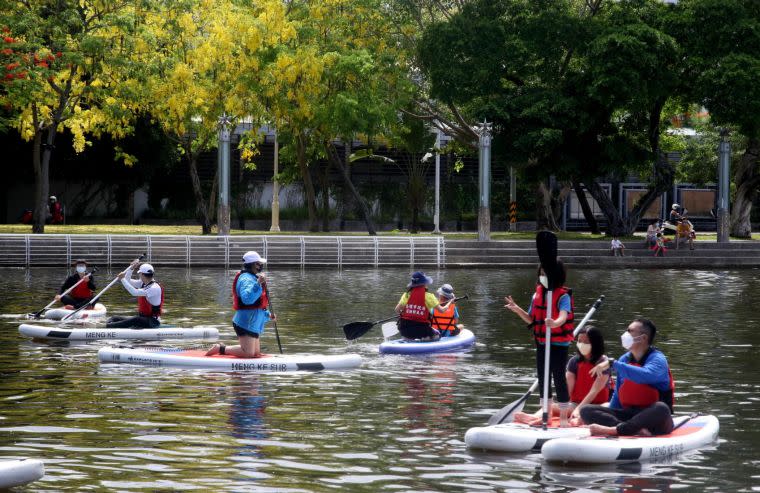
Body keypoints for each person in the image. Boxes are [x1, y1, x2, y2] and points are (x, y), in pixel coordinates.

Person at [505, 260, 574, 426]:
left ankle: (563, 418)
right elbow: (531, 320)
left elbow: (563, 316)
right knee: (543, 378)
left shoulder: (563, 296)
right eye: (541, 274)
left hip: (559, 345)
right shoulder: (536, 295)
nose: (543, 277)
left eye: (547, 274)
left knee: (558, 378)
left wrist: (555, 323)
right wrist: (517, 309)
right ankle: (547, 415)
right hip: (542, 343)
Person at [580, 318, 675, 437]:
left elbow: (645, 375)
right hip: (629, 415)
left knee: (661, 408)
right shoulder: (624, 359)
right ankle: (630, 429)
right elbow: (619, 393)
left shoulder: (658, 359)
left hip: (654, 419)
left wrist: (612, 363)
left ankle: (616, 430)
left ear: (643, 338)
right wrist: (610, 412)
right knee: (586, 410)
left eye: (630, 331)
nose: (625, 334)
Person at [514, 325, 611, 426]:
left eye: (586, 342)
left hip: (597, 405)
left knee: (604, 407)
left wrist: (578, 410)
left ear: (595, 343)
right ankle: (537, 416)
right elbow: (567, 389)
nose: (582, 344)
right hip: (575, 403)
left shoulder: (604, 363)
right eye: (579, 341)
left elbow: (594, 391)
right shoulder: (574, 362)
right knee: (552, 407)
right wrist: (563, 406)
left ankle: (579, 419)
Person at [206, 251, 276, 358]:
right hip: (245, 322)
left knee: (256, 354)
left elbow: (257, 306)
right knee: (248, 353)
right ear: (252, 264)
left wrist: (267, 315)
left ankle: (227, 349)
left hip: (253, 323)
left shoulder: (253, 277)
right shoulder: (246, 279)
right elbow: (247, 299)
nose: (261, 266)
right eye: (258, 263)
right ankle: (220, 348)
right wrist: (258, 284)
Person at [106, 261, 163, 328]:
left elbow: (134, 292)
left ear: (142, 274)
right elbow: (128, 281)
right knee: (115, 318)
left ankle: (107, 326)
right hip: (143, 318)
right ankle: (107, 326)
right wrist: (131, 269)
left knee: (136, 319)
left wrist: (122, 279)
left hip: (153, 322)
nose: (139, 275)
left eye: (139, 274)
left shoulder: (154, 288)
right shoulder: (143, 283)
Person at [395, 271, 440, 341]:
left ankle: (409, 340)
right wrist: (450, 302)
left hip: (405, 331)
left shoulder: (406, 295)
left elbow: (397, 310)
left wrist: (405, 312)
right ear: (424, 284)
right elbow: (442, 310)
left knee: (410, 333)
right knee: (438, 335)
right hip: (422, 331)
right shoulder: (429, 296)